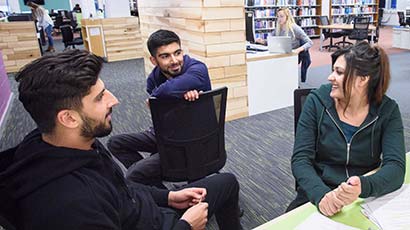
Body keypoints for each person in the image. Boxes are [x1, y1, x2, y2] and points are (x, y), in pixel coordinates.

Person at [0, 50, 242, 229]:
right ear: (69, 118)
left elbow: (120, 189)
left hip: (150, 211)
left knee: (227, 182)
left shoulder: (77, 143)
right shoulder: (71, 205)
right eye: (100, 97)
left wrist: (167, 197)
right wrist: (187, 226)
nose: (114, 100)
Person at [289, 41, 405, 216]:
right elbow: (300, 159)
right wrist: (322, 195)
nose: (330, 77)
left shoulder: (387, 111)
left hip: (363, 195)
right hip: (319, 189)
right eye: (333, 70)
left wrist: (362, 186)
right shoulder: (316, 102)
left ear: (363, 80)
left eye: (339, 72)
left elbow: (396, 167)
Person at [107, 29, 212, 186]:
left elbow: (165, 92)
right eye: (165, 56)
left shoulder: (197, 69)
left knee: (134, 175)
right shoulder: (154, 78)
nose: (175, 60)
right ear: (154, 60)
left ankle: (165, 196)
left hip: (190, 141)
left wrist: (159, 99)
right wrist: (174, 96)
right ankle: (160, 188)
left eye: (177, 53)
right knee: (115, 143)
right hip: (163, 133)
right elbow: (160, 105)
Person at [256, 8, 313, 83]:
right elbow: (272, 41)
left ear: (287, 17)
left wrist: (298, 50)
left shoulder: (294, 28)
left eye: (281, 16)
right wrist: (263, 41)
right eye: (278, 16)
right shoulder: (278, 28)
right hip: (281, 54)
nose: (279, 19)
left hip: (292, 56)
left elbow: (309, 42)